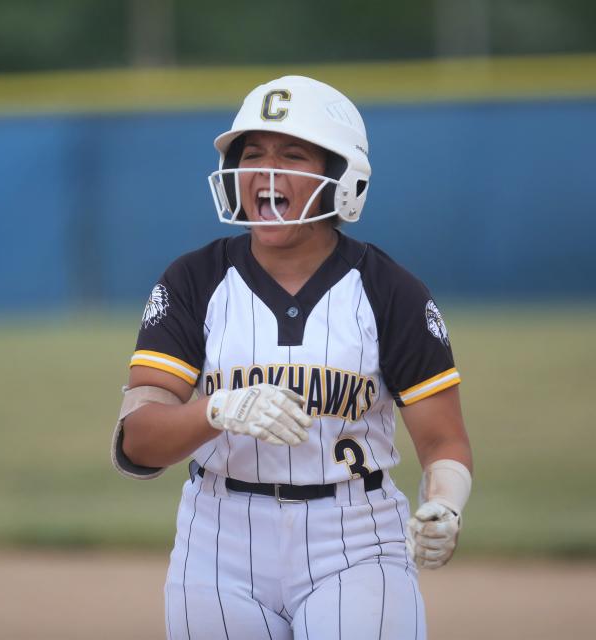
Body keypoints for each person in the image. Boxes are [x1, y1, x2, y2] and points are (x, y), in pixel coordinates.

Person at [112, 75, 473, 639]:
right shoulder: (195, 280)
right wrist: (215, 411)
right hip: (218, 535)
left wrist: (446, 504)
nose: (266, 171)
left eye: (292, 155)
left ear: (341, 178)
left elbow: (443, 439)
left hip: (354, 535)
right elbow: (138, 440)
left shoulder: (390, 291)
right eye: (252, 155)